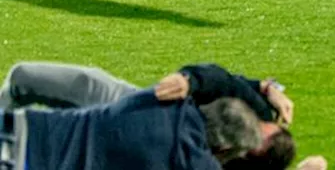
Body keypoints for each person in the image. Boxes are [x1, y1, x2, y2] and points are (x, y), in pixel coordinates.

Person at [0, 61, 302, 169]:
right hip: (144, 109)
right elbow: (221, 79)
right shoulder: (258, 110)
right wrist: (189, 80)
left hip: (149, 129)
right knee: (26, 77)